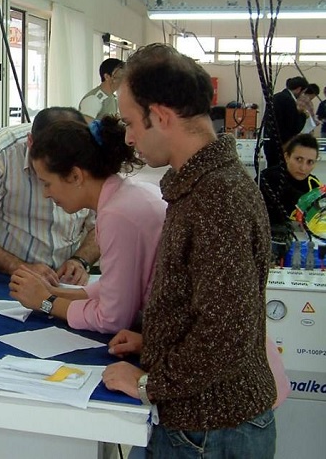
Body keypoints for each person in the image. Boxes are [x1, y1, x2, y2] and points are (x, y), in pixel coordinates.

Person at [102, 43, 277, 458]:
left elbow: (226, 333)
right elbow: (206, 303)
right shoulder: (202, 185)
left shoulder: (218, 198)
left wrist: (148, 384)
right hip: (200, 420)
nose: (128, 137)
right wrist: (155, 340)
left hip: (210, 428)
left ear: (160, 116)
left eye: (130, 123)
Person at [8, 116, 166, 333]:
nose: (46, 194)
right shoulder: (127, 195)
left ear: (75, 176)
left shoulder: (117, 215)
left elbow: (112, 319)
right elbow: (119, 285)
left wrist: (46, 302)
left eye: (47, 183)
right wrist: (56, 292)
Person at [0, 107, 100, 286]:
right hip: (0, 279)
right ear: (30, 142)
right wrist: (21, 267)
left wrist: (80, 260)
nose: (47, 193)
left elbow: (101, 226)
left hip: (62, 282)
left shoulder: (89, 153)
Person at [259, 133, 322, 229]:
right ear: (287, 157)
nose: (303, 168)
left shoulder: (314, 185)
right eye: (299, 159)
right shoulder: (267, 179)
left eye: (310, 162)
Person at [264, 76, 309, 167]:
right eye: (303, 93)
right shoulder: (289, 101)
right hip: (282, 144)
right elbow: (294, 127)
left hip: (269, 142)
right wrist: (302, 115)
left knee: (272, 169)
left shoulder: (276, 96)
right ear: (299, 89)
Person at [78, 58, 125, 124]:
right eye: (120, 77)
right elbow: (85, 129)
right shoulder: (94, 99)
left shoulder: (113, 98)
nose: (123, 81)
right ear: (107, 77)